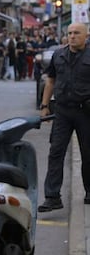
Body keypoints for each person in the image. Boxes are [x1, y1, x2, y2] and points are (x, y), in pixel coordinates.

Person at [38, 22, 90, 212]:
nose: (72, 36)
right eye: (69, 33)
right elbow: (50, 80)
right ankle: (52, 197)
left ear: (86, 36)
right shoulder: (58, 55)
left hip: (85, 112)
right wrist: (44, 105)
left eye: (76, 33)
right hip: (62, 111)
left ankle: (89, 192)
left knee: (88, 154)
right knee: (56, 152)